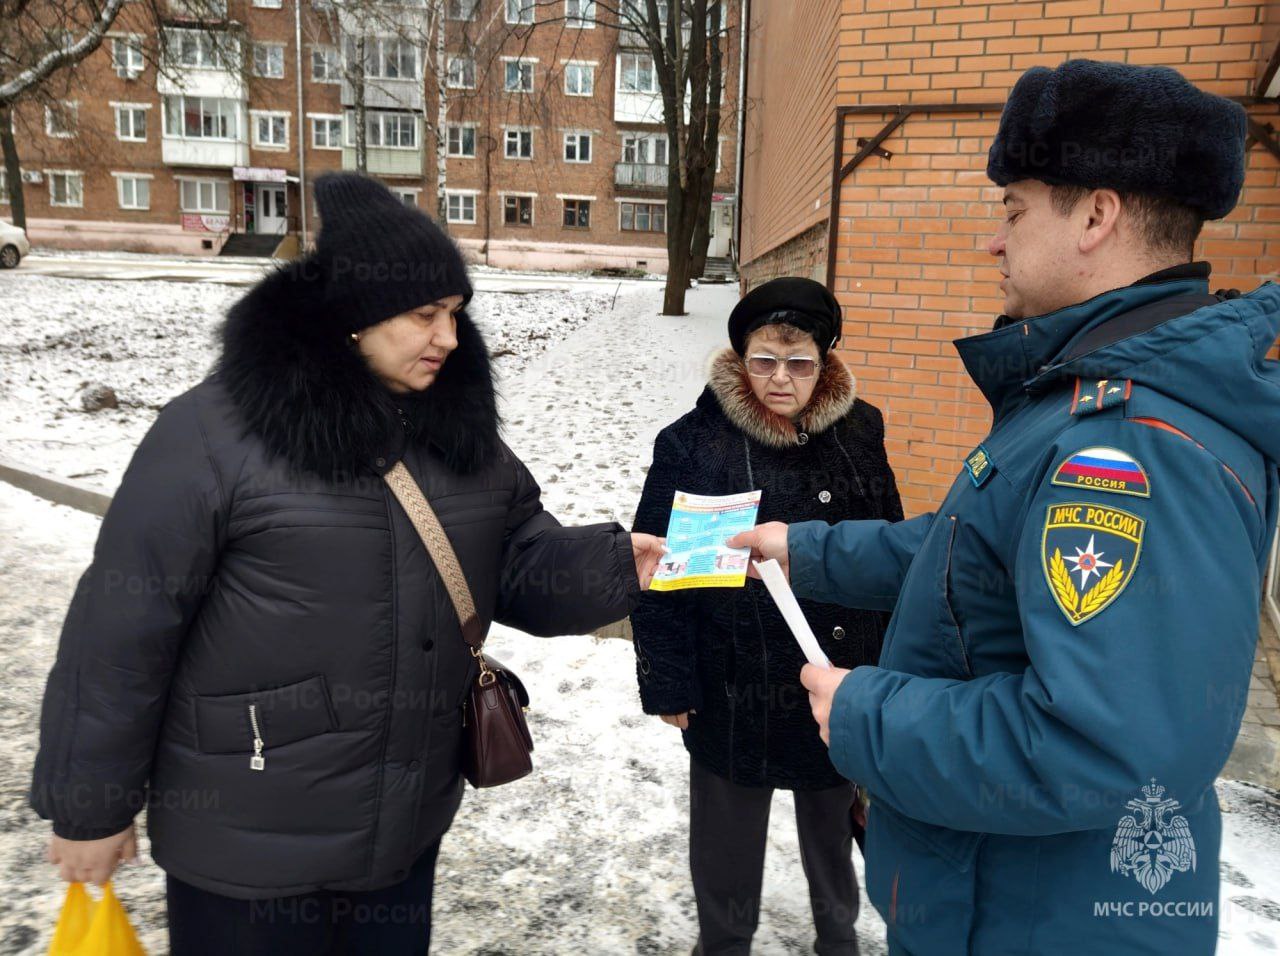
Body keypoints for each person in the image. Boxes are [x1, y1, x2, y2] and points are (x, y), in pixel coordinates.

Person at [29, 172, 666, 955]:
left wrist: (614, 566)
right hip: (246, 842)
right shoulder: (212, 435)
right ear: (353, 316)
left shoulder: (458, 436)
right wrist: (89, 807)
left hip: (399, 836)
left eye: (456, 314)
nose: (450, 339)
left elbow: (517, 557)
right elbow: (120, 633)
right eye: (424, 314)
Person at [729, 60, 1280, 954]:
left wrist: (869, 715)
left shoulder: (1128, 443)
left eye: (1014, 209)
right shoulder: (1082, 396)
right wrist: (809, 550)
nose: (994, 241)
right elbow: (974, 559)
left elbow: (1105, 746)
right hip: (1001, 901)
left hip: (1039, 923)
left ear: (1096, 217)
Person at [632, 277, 903, 955]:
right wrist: (669, 679)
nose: (781, 379)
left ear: (825, 360)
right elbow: (657, 571)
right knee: (726, 842)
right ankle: (723, 944)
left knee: (834, 828)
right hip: (732, 682)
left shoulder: (861, 430)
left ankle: (837, 938)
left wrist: (892, 667)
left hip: (836, 677)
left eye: (800, 362)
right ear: (740, 357)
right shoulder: (693, 443)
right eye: (764, 360)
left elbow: (890, 546)